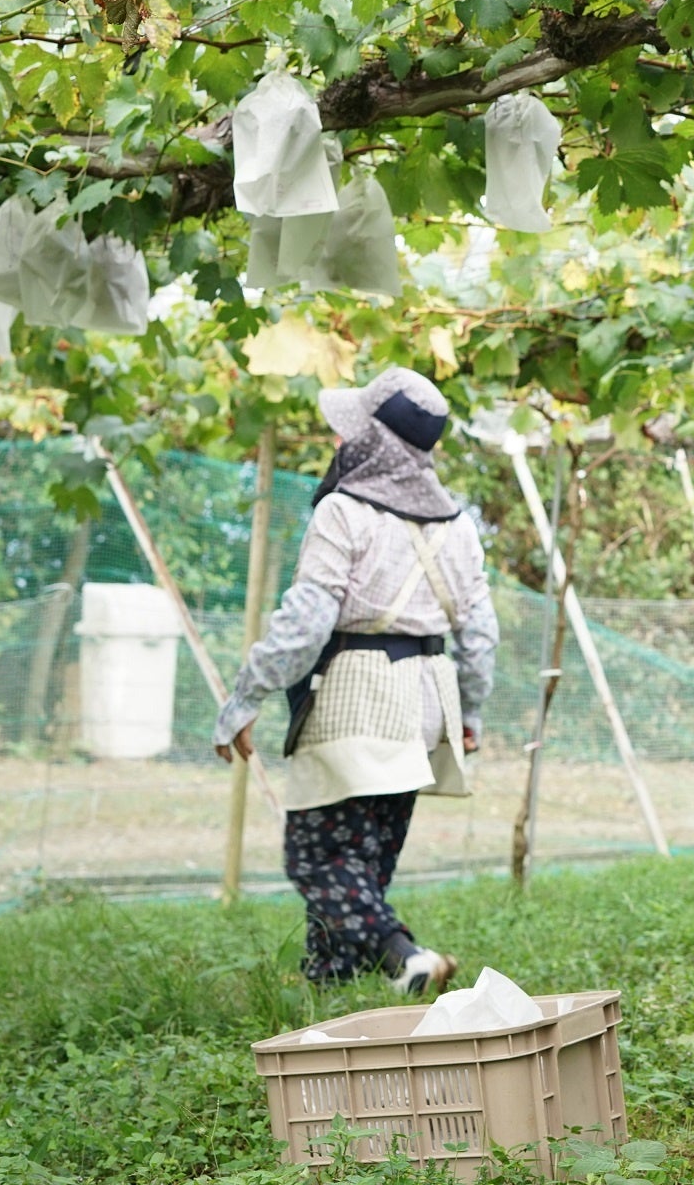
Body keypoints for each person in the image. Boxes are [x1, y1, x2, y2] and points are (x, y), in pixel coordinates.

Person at [215, 367, 498, 992]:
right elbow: (480, 637)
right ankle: (329, 995)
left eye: (350, 433)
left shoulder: (346, 512)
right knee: (361, 865)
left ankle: (405, 958)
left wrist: (245, 696)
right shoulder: (457, 526)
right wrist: (470, 715)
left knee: (317, 857)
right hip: (427, 701)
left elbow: (308, 619)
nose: (339, 445)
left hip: (356, 700)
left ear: (371, 439)